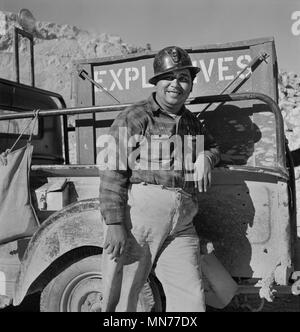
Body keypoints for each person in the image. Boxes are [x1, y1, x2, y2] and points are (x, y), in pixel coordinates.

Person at [99, 46, 220, 312]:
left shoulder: (191, 122)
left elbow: (212, 147)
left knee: (191, 297)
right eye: (169, 77)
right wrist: (116, 223)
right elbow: (112, 170)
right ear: (157, 82)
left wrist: (206, 158)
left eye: (184, 78)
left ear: (190, 86)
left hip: (183, 222)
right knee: (125, 295)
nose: (176, 84)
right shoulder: (136, 116)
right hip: (141, 220)